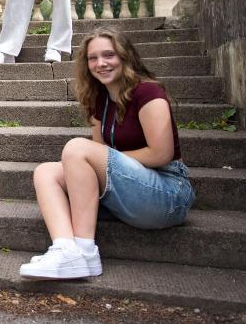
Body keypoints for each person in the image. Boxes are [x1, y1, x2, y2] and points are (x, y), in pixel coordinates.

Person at [19, 27, 195, 280]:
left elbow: (161, 154)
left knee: (76, 149)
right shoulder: (100, 100)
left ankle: (86, 252)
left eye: (109, 55)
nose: (100, 63)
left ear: (125, 57)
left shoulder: (148, 93)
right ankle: (67, 250)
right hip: (129, 188)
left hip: (168, 193)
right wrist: (106, 163)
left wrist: (109, 162)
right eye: (93, 58)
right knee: (46, 172)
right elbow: (97, 158)